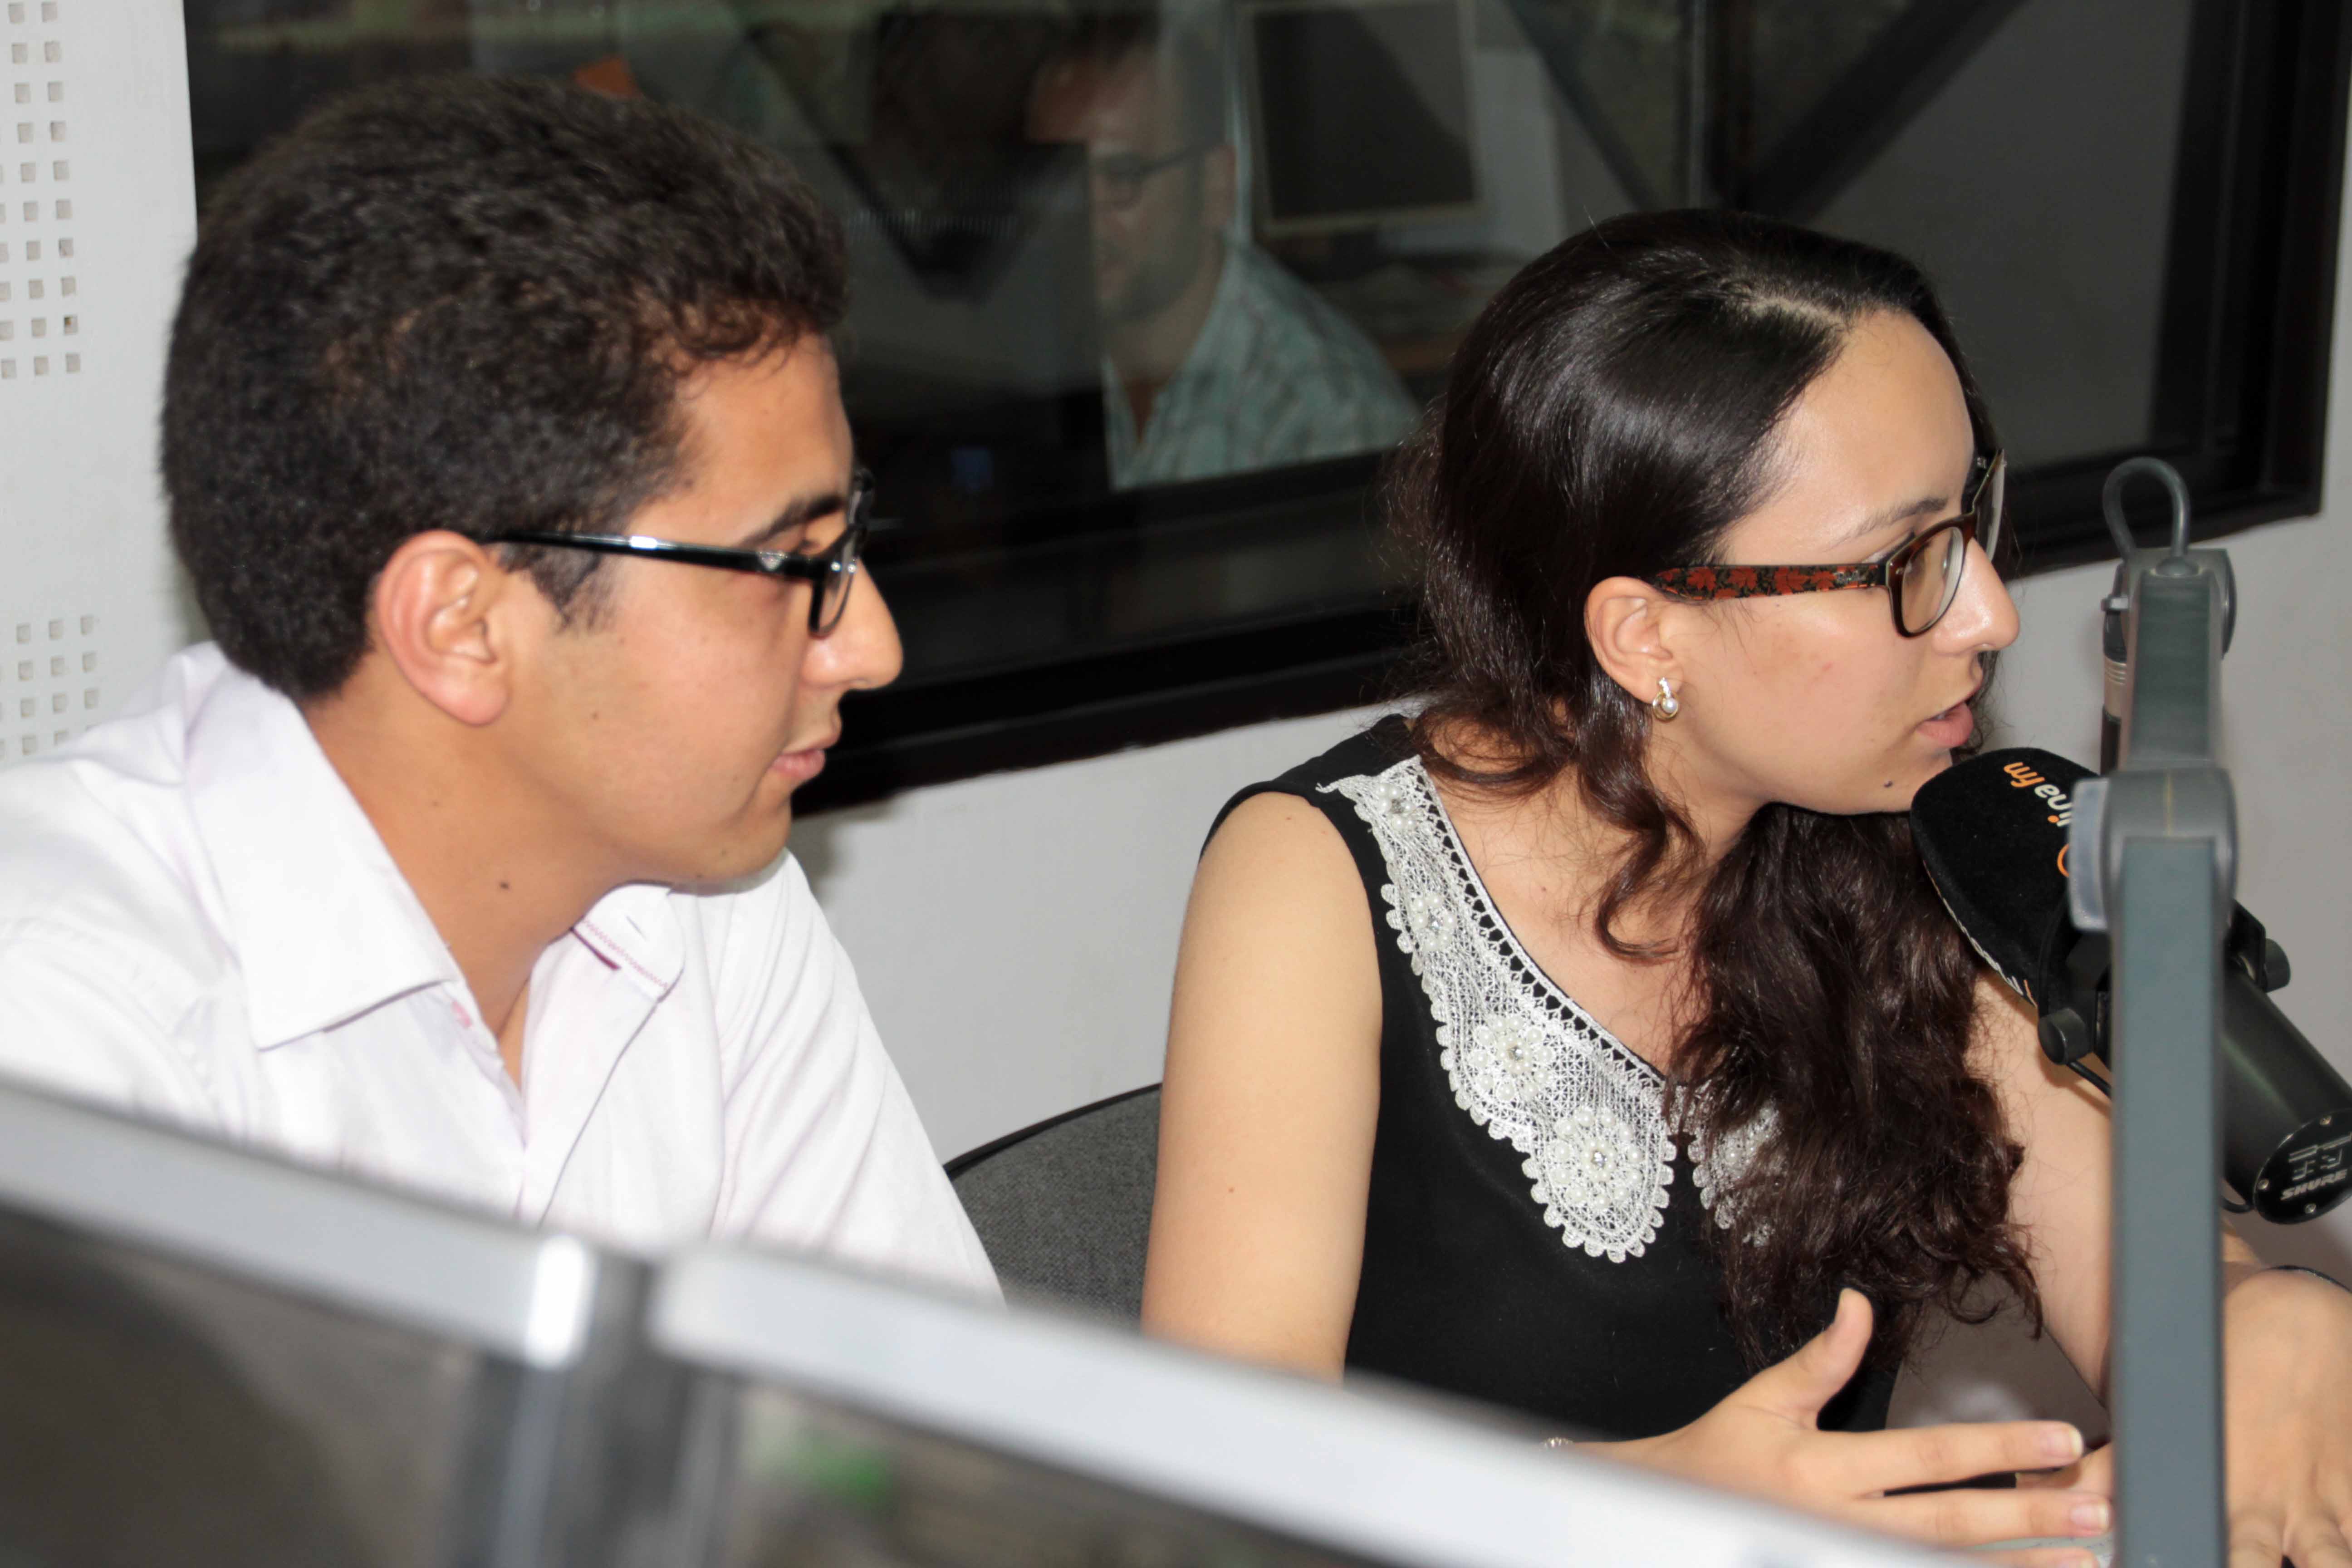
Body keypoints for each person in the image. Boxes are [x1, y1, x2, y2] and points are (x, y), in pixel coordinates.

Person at [1144, 210, 2352, 1563]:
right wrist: (1633, 1506)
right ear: (1646, 634)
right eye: (1908, 564)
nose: (1992, 615)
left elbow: (2139, 1265)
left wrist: (2266, 1316)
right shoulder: (1318, 876)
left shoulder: (1920, 838)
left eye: (1973, 518)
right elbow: (1215, 1482)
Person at [0, 77, 995, 1298]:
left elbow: (892, 1405)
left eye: (848, 542)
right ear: (461, 626)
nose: (871, 645)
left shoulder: (704, 897)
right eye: (789, 563)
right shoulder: (60, 1045)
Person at [1028, 17, 1417, 490]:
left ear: (1215, 187)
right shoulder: (1037, 350)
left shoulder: (1331, 418)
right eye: (1059, 181)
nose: (1082, 219)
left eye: (1122, 177)